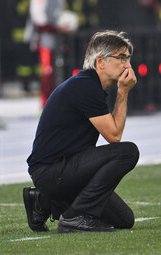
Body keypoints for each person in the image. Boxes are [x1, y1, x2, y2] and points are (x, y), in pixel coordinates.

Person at [23, 30, 139, 233]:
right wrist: (123, 93)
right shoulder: (85, 86)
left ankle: (42, 202)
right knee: (128, 152)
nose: (127, 65)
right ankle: (75, 217)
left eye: (128, 58)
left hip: (62, 170)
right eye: (121, 57)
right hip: (52, 172)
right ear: (100, 61)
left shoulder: (89, 85)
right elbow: (114, 136)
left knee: (124, 219)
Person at [25, 0, 78, 108]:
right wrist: (58, 28)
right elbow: (39, 20)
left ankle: (61, 103)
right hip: (45, 41)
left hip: (59, 40)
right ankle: (45, 105)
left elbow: (59, 15)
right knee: (47, 73)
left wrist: (65, 25)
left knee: (62, 72)